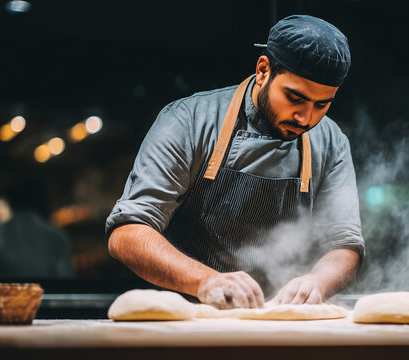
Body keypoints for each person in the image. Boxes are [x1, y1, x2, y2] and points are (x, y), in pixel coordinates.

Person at [106, 15, 364, 309]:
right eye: (294, 97)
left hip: (283, 325)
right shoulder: (189, 121)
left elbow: (344, 245)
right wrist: (207, 281)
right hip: (188, 322)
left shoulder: (331, 142)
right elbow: (127, 233)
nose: (306, 118)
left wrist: (317, 282)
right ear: (263, 70)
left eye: (322, 104)